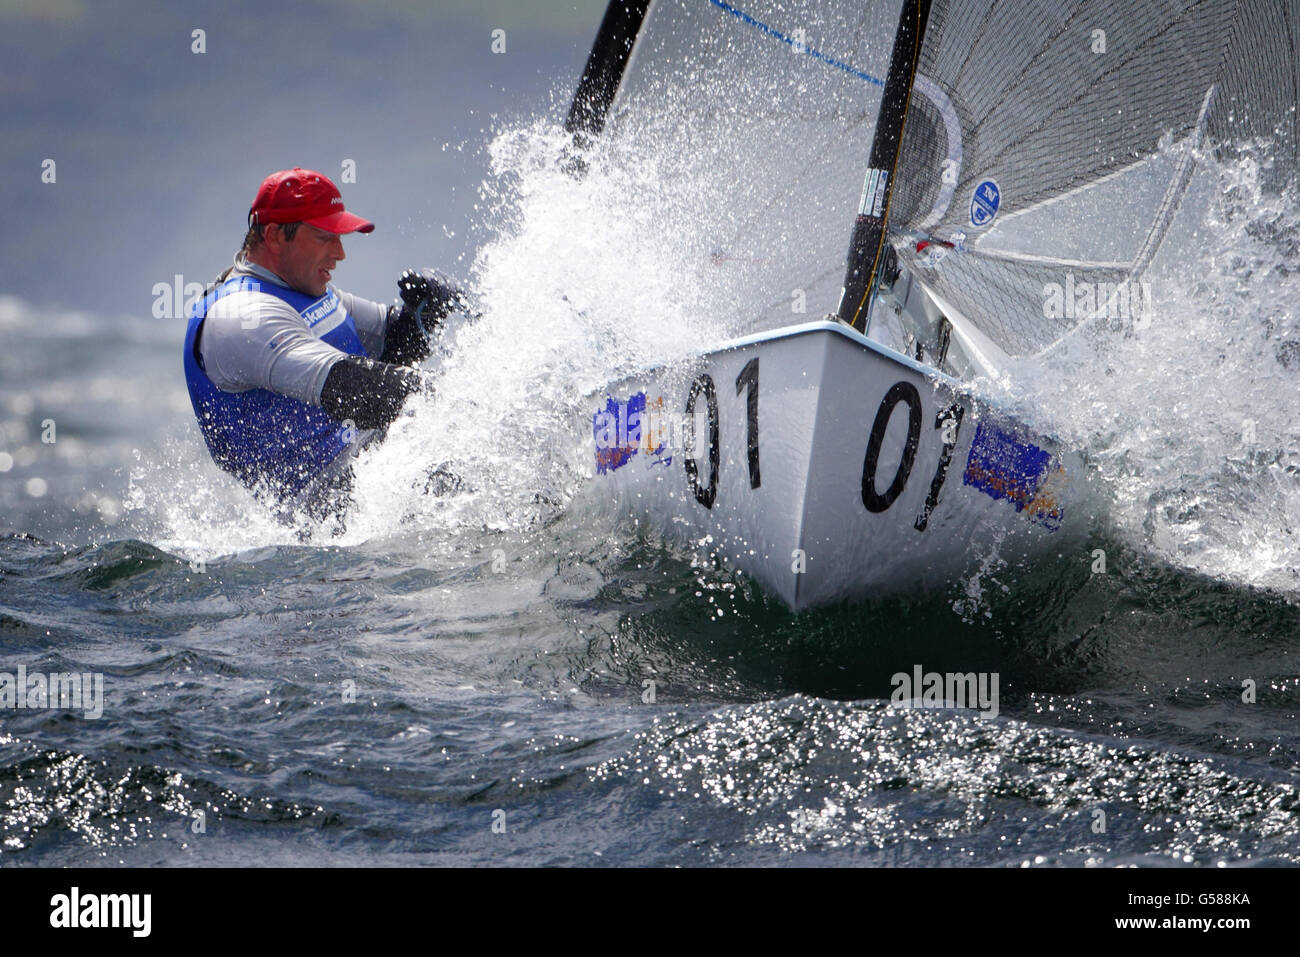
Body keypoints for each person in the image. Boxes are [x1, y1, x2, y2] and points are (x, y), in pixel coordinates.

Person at [182, 167, 463, 520]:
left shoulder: (304, 292)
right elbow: (350, 387)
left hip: (373, 479)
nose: (341, 253)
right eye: (324, 237)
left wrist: (423, 314)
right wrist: (466, 404)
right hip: (326, 525)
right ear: (273, 236)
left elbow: (393, 349)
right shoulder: (242, 317)